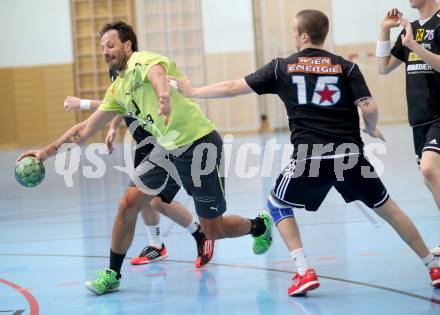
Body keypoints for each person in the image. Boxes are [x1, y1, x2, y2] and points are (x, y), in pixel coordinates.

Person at [171, 9, 440, 295]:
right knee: (390, 209)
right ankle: (431, 264)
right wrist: (371, 128)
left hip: (310, 158)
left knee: (276, 205)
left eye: (293, 32)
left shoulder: (282, 66)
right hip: (351, 156)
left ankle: (304, 271)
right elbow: (369, 108)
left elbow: (232, 88)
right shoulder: (345, 67)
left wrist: (194, 92)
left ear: (303, 36)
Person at [17, 21, 272, 295]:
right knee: (128, 203)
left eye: (111, 45)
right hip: (166, 150)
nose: (105, 51)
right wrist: (45, 153)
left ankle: (257, 225)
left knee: (213, 229)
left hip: (199, 144)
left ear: (127, 45)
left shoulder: (142, 60)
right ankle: (113, 274)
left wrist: (163, 95)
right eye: (102, 47)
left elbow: (157, 74)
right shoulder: (117, 89)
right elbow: (85, 129)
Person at [63, 89, 209, 267]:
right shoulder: (116, 72)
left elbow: (119, 104)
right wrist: (114, 126)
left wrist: (83, 103)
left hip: (161, 141)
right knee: (145, 200)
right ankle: (157, 245)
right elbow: (121, 104)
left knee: (156, 201)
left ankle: (199, 234)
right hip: (144, 143)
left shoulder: (138, 66)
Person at [377, 0, 440, 256]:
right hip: (419, 119)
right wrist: (384, 30)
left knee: (429, 170)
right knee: (432, 180)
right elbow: (383, 68)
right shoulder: (409, 28)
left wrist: (414, 45)